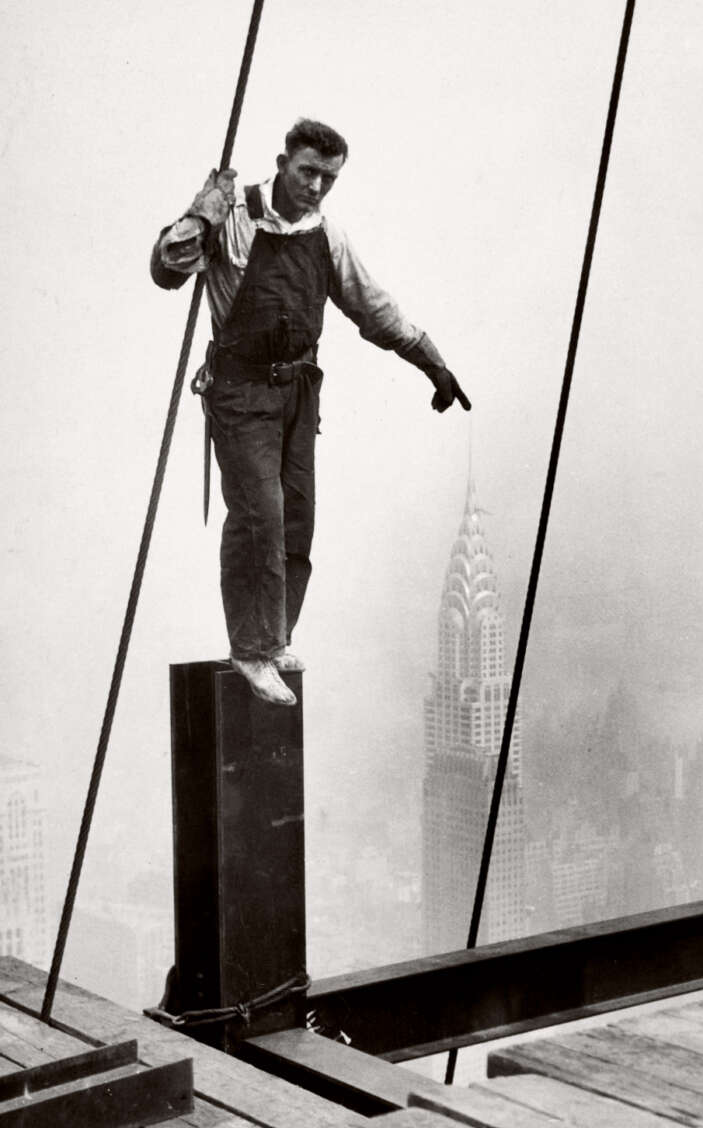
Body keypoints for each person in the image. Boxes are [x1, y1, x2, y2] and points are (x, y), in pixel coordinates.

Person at [151, 118, 470, 705]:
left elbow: (373, 309)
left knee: (296, 520)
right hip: (241, 393)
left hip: (298, 394)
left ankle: (274, 639)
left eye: (329, 177)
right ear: (281, 163)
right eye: (307, 172)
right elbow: (166, 273)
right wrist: (200, 217)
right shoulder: (237, 219)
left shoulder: (328, 236)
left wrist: (433, 363)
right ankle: (250, 649)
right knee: (260, 519)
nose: (317, 186)